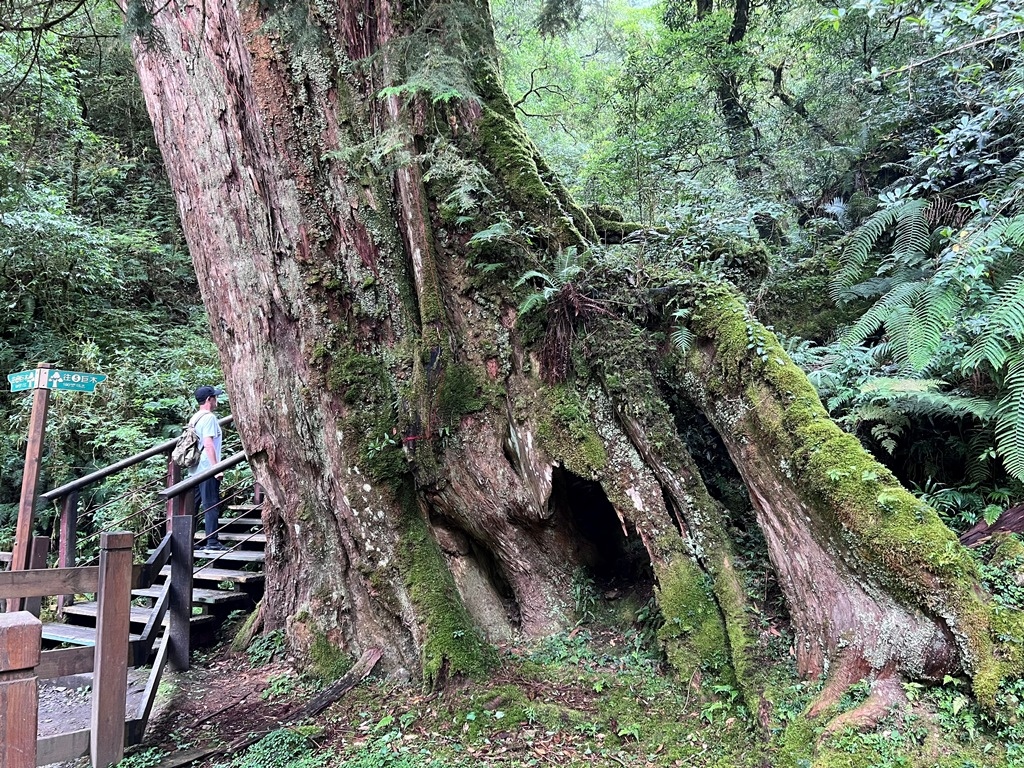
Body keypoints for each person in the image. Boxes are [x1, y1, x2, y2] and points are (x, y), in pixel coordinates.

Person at [190, 385, 227, 550]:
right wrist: (216, 468)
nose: (216, 400)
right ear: (209, 400)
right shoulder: (210, 418)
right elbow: (208, 443)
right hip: (206, 468)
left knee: (194, 506)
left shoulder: (195, 418)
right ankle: (212, 541)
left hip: (195, 469)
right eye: (215, 397)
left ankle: (188, 540)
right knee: (211, 503)